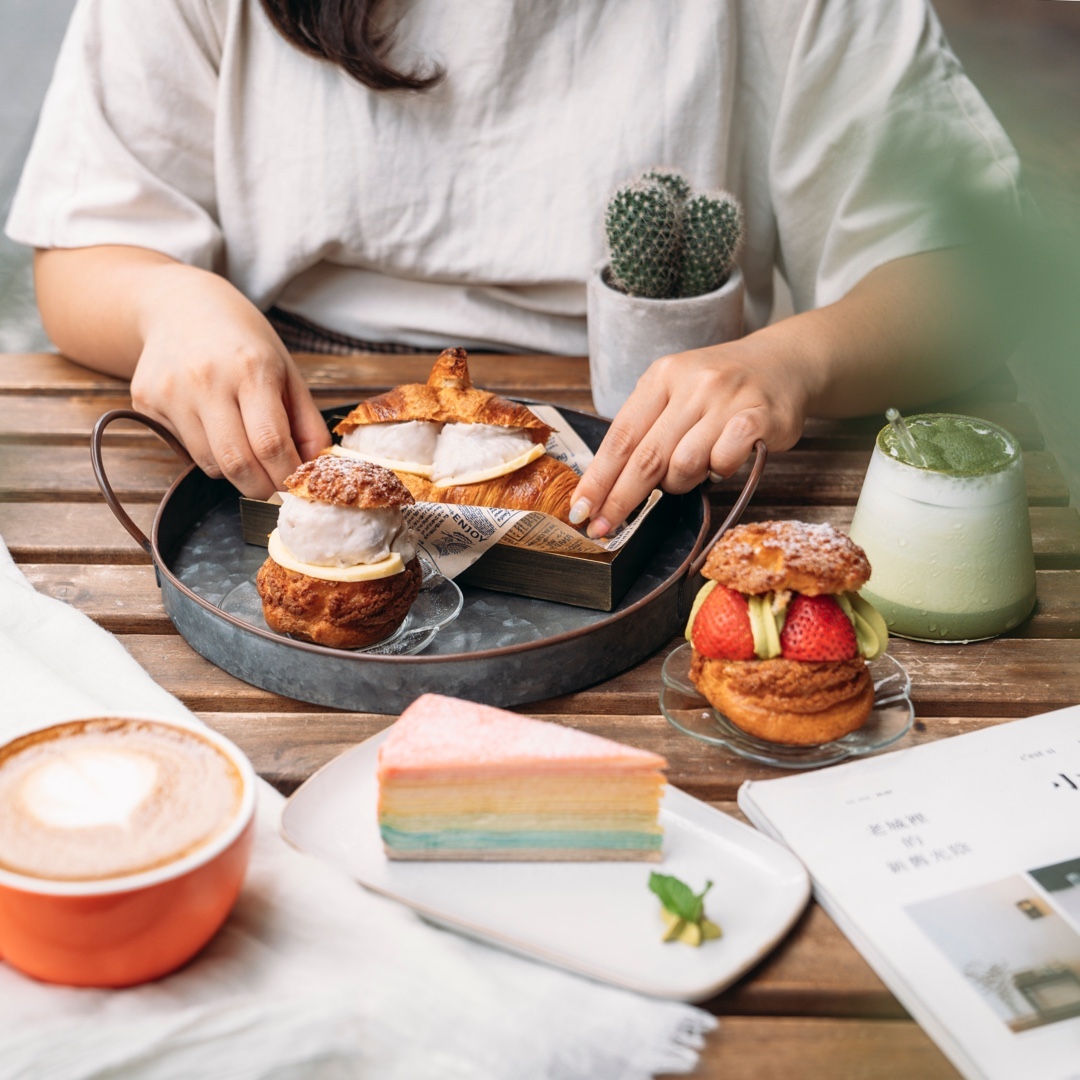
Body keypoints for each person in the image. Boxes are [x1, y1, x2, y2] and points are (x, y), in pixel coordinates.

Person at [6, 0, 1022, 537]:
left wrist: (793, 362)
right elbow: (82, 254)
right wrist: (171, 302)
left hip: (658, 459)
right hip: (278, 449)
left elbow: (969, 281)